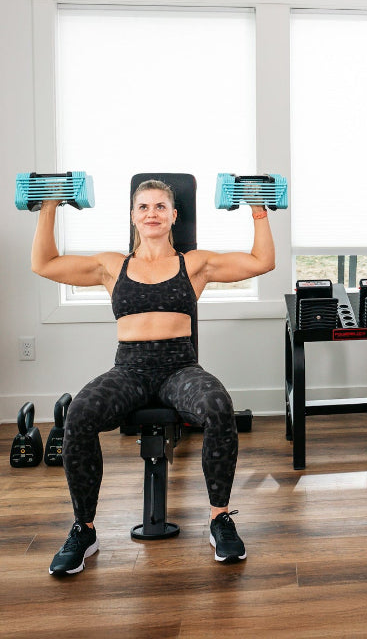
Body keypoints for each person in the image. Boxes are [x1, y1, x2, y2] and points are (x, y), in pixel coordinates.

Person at [31, 179, 275, 575]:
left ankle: (220, 519)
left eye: (160, 206)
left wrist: (258, 211)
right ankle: (84, 529)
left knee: (218, 406)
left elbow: (261, 262)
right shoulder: (112, 265)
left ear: (173, 215)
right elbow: (44, 264)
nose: (152, 214)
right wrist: (49, 207)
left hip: (179, 368)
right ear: (133, 216)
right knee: (80, 413)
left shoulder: (193, 263)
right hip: (129, 369)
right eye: (143, 207)